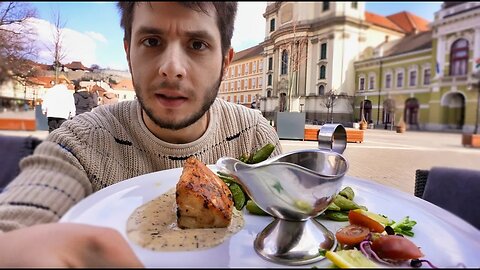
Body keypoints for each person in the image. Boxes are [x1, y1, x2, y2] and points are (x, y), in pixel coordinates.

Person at [0, 2, 281, 267]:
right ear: (128, 51)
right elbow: (22, 214)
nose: (171, 69)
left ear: (224, 61)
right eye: (152, 41)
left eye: (197, 44)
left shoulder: (255, 136)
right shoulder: (79, 143)